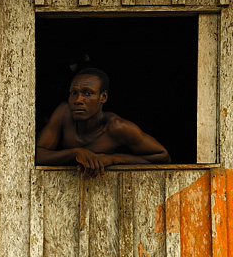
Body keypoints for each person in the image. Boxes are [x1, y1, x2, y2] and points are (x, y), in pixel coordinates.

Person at [36, 68, 170, 178]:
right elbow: (38, 155)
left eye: (87, 93)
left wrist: (113, 159)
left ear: (103, 97)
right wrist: (75, 153)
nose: (78, 100)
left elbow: (162, 156)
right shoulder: (64, 113)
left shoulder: (117, 127)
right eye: (73, 93)